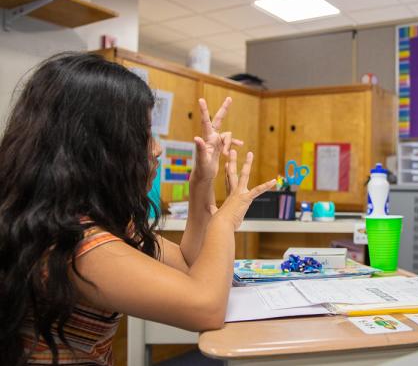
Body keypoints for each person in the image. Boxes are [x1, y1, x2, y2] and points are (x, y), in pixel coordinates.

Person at [0, 52, 276, 365]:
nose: (156, 148)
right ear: (95, 148)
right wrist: (226, 219)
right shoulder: (79, 245)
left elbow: (188, 265)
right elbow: (206, 307)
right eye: (143, 135)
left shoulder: (92, 220)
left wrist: (202, 180)